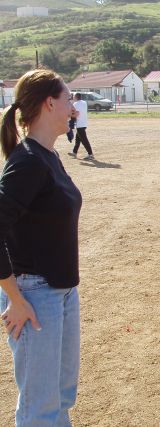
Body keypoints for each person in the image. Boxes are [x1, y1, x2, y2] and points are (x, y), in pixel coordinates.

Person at [0, 69, 82, 425]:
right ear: (50, 103)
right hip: (35, 296)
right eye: (68, 100)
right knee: (40, 409)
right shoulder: (28, 161)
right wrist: (14, 298)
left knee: (60, 396)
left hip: (61, 292)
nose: (73, 108)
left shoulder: (47, 155)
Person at [69, 92, 94, 160]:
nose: (73, 97)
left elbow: (76, 114)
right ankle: (74, 152)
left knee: (84, 140)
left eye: (74, 96)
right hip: (84, 123)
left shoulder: (76, 104)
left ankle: (90, 154)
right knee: (78, 139)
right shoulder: (84, 102)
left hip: (80, 124)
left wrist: (69, 115)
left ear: (76, 97)